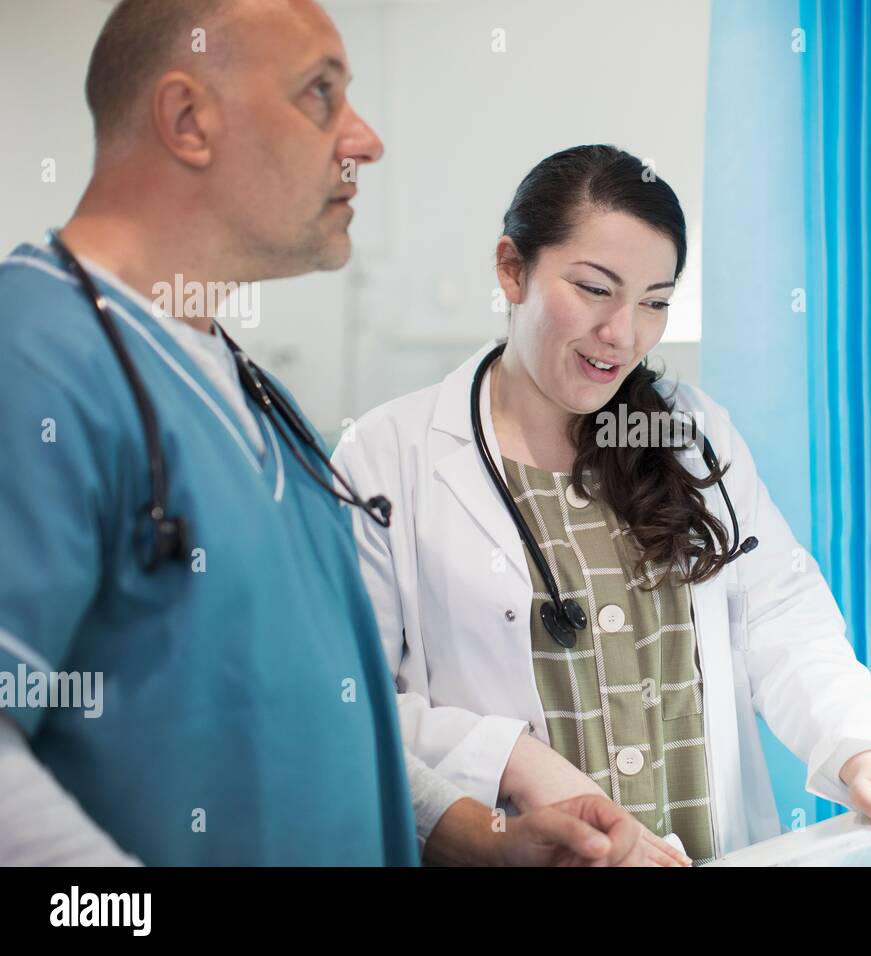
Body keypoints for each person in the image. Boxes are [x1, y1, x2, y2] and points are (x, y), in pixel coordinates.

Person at [0, 0, 673, 868]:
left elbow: (330, 714)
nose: (364, 139)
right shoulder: (34, 356)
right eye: (320, 95)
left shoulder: (259, 403)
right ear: (188, 120)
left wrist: (479, 836)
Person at [332, 144, 871, 865]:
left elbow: (783, 618)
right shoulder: (391, 454)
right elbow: (352, 705)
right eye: (595, 289)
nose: (622, 333)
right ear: (512, 269)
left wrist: (860, 746)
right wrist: (510, 758)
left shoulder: (687, 431)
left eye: (655, 303)